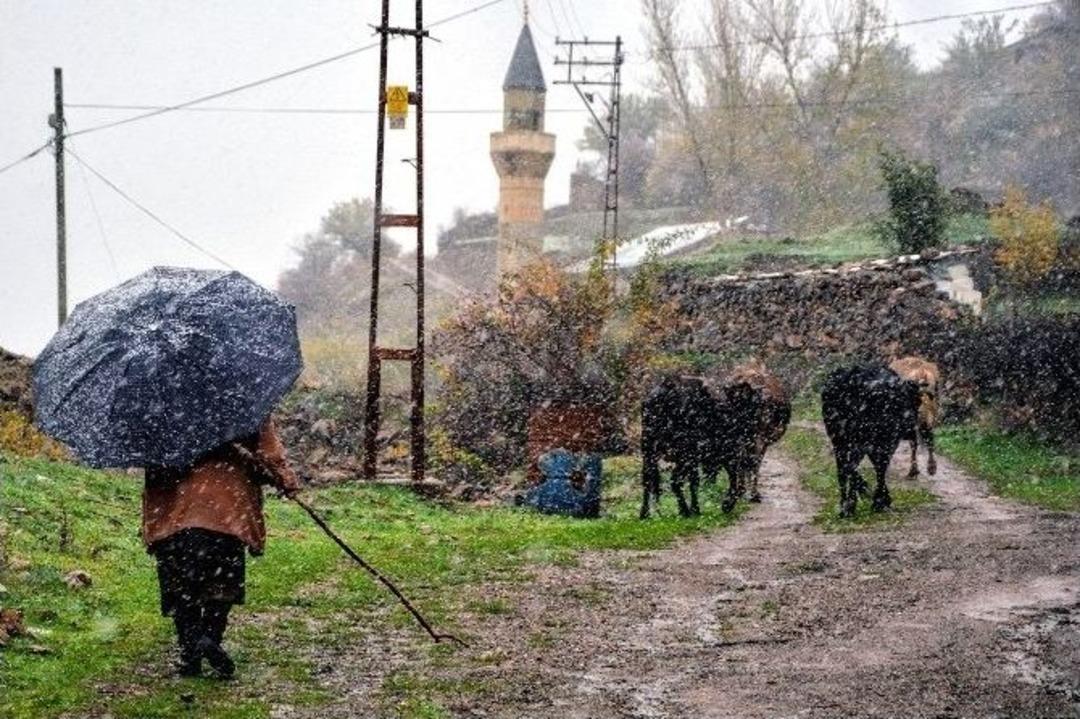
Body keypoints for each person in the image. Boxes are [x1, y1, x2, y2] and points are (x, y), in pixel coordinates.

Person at [142, 417, 300, 678]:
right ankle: (211, 638)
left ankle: (190, 649)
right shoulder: (241, 398)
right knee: (221, 584)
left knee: (181, 587)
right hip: (225, 507)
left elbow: (149, 454)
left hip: (174, 509)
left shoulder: (159, 403)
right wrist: (285, 479)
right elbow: (267, 452)